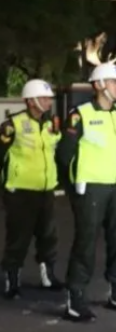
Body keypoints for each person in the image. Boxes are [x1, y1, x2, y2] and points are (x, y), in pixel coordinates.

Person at [57, 63, 116, 322]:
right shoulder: (79, 115)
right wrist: (74, 190)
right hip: (91, 189)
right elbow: (63, 156)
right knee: (86, 242)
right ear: (99, 85)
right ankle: (76, 296)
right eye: (115, 82)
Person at [1, 79, 63, 299]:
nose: (48, 102)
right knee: (18, 237)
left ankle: (48, 277)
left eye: (49, 98)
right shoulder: (11, 125)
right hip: (20, 192)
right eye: (44, 98)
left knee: (48, 236)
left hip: (45, 190)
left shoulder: (51, 124)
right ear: (31, 100)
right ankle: (12, 280)